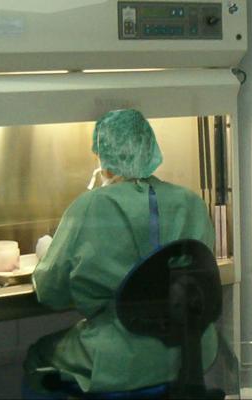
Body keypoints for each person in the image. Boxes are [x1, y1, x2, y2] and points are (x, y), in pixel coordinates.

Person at [23, 109, 217, 397]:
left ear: (103, 158)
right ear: (150, 149)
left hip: (119, 359)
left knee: (39, 355)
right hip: (191, 349)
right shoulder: (191, 202)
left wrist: (47, 256)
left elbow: (51, 293)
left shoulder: (91, 206)